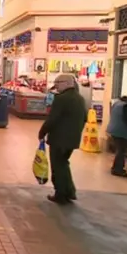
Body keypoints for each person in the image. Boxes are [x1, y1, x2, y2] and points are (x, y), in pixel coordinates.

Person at [38, 74, 87, 204]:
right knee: (64, 164)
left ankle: (60, 194)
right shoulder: (80, 98)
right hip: (72, 140)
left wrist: (42, 132)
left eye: (58, 84)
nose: (57, 87)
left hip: (59, 139)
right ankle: (70, 191)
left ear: (66, 83)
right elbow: (85, 118)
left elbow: (53, 119)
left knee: (58, 166)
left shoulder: (61, 99)